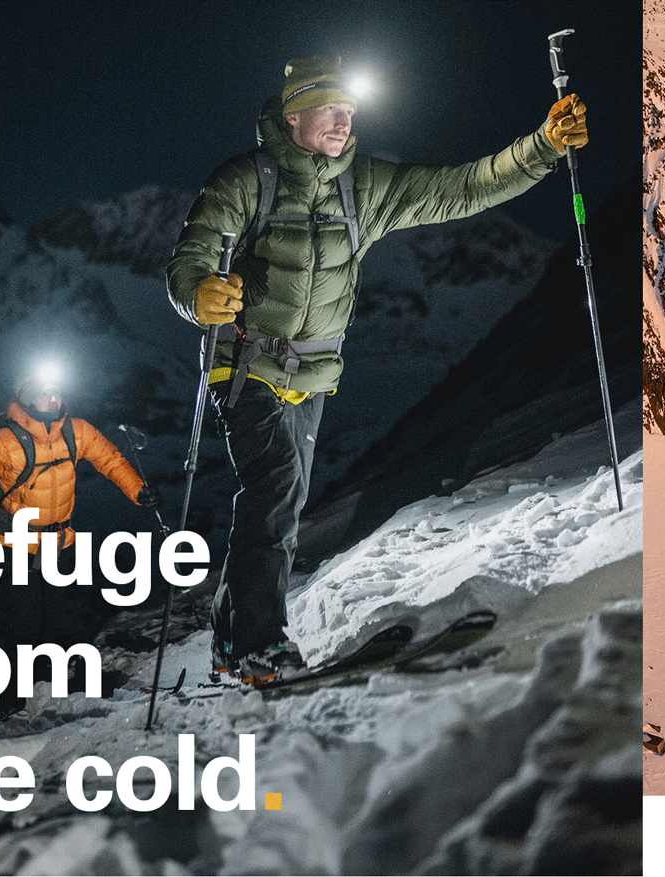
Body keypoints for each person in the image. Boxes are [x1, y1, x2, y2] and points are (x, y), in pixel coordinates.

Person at [166, 55, 588, 685]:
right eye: (331, 110)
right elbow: (193, 254)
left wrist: (541, 147)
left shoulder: (362, 186)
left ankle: (232, 644)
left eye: (350, 111)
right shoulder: (244, 181)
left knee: (278, 504)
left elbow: (462, 187)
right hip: (247, 365)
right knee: (276, 493)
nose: (344, 121)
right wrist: (198, 289)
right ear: (294, 116)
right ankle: (258, 644)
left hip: (311, 377)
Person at [0, 369, 160, 711]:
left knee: (56, 620)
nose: (53, 398)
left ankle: (49, 692)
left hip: (59, 545)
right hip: (16, 547)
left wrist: (138, 490)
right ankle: (15, 702)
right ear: (28, 397)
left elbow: (109, 460)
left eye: (57, 392)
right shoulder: (5, 441)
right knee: (25, 625)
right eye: (45, 393)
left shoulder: (75, 431)